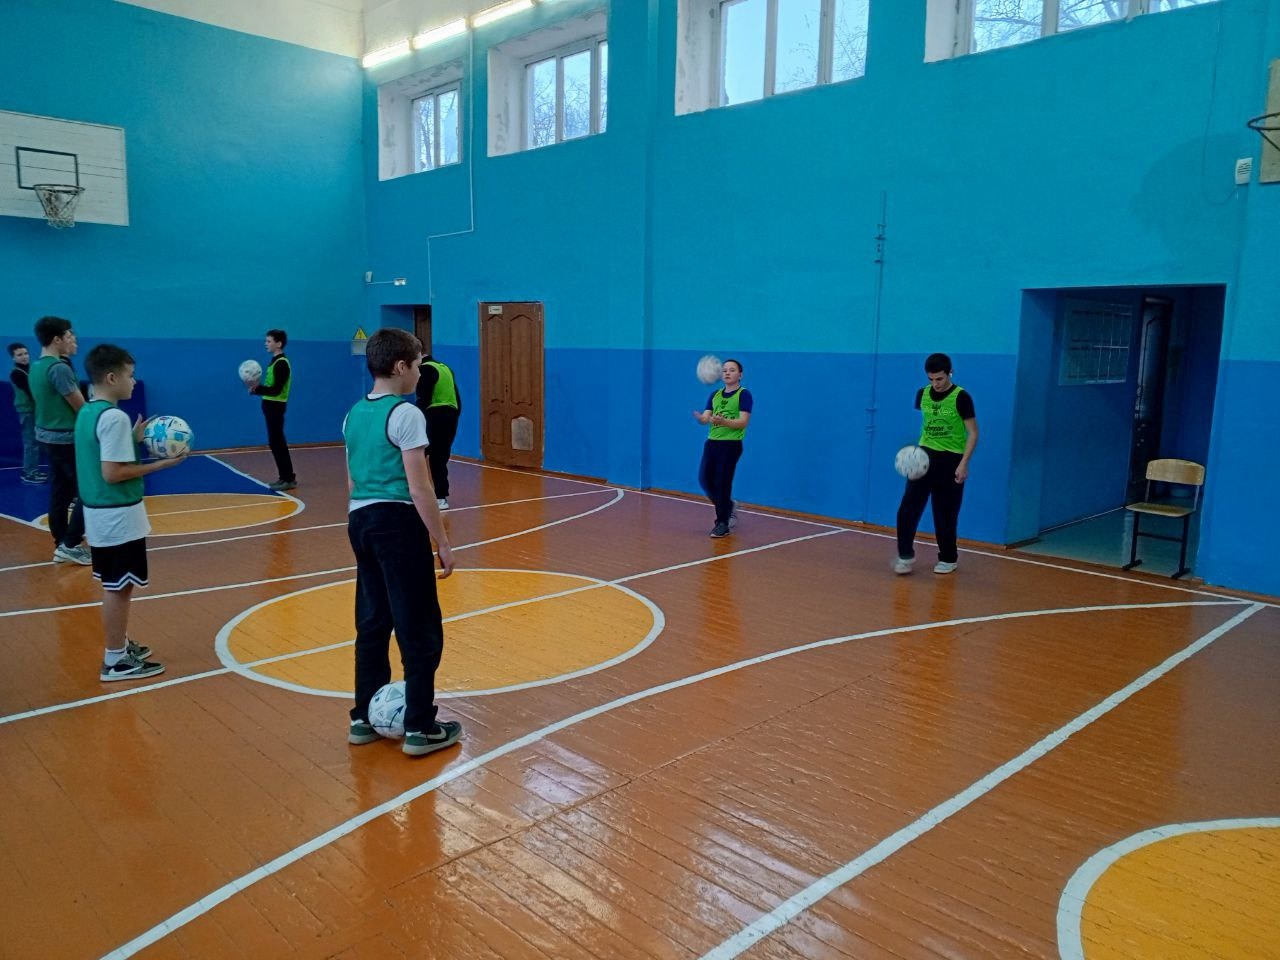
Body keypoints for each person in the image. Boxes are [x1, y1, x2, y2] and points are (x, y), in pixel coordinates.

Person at [344, 327, 461, 758]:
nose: (419, 372)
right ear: (399, 367)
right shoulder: (407, 414)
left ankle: (362, 718)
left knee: (373, 621)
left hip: (360, 520)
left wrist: (361, 520)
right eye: (416, 365)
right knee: (419, 626)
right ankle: (420, 727)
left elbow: (352, 481)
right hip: (397, 522)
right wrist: (441, 541)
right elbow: (420, 486)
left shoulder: (353, 414)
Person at [76, 344, 187, 680]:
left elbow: (102, 456)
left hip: (100, 514)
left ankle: (120, 645)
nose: (134, 382)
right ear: (112, 378)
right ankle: (115, 660)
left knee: (117, 584)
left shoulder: (88, 411)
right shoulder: (114, 417)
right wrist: (162, 465)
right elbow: (112, 473)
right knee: (119, 587)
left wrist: (133, 441)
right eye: (130, 375)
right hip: (117, 516)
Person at [894, 353, 979, 576]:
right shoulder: (922, 394)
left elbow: (973, 433)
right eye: (931, 379)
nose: (936, 384)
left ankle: (948, 558)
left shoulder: (962, 397)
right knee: (907, 509)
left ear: (950, 373)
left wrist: (964, 464)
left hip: (951, 460)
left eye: (939, 378)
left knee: (945, 514)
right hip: (925, 458)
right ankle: (905, 555)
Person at [29, 316, 90, 564]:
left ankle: (61, 543)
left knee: (60, 492)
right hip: (66, 439)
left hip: (47, 438)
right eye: (69, 335)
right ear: (57, 340)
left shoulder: (35, 367)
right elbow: (80, 407)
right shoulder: (59, 368)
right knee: (90, 491)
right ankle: (71, 543)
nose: (73, 338)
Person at [692, 358, 753, 539]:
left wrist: (724, 421)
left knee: (722, 483)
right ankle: (728, 506)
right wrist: (701, 419)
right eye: (725, 370)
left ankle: (722, 523)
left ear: (740, 375)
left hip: (731, 445)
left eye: (732, 370)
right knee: (705, 480)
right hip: (712, 443)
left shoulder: (744, 395)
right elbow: (706, 418)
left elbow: (743, 422)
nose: (727, 373)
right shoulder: (715, 395)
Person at [247, 329, 296, 491]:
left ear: (279, 344)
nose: (266, 344)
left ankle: (289, 478)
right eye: (266, 341)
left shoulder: (282, 363)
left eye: (269, 341)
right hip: (270, 406)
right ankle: (284, 477)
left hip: (276, 406)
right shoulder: (274, 361)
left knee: (278, 442)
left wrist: (257, 389)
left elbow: (276, 389)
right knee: (275, 442)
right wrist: (257, 389)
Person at [414, 353, 461, 509]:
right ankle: (441, 497)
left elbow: (423, 399)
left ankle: (413, 495)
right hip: (451, 416)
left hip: (434, 417)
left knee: (416, 455)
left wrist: (414, 420)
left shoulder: (425, 369)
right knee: (439, 458)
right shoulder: (445, 368)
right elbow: (457, 398)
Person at [9, 342, 47, 485]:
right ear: (13, 358)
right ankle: (29, 473)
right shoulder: (17, 373)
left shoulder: (30, 370)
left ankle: (32, 470)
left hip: (33, 410)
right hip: (27, 411)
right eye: (19, 355)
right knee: (31, 442)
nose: (24, 357)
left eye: (26, 353)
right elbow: (31, 392)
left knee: (34, 442)